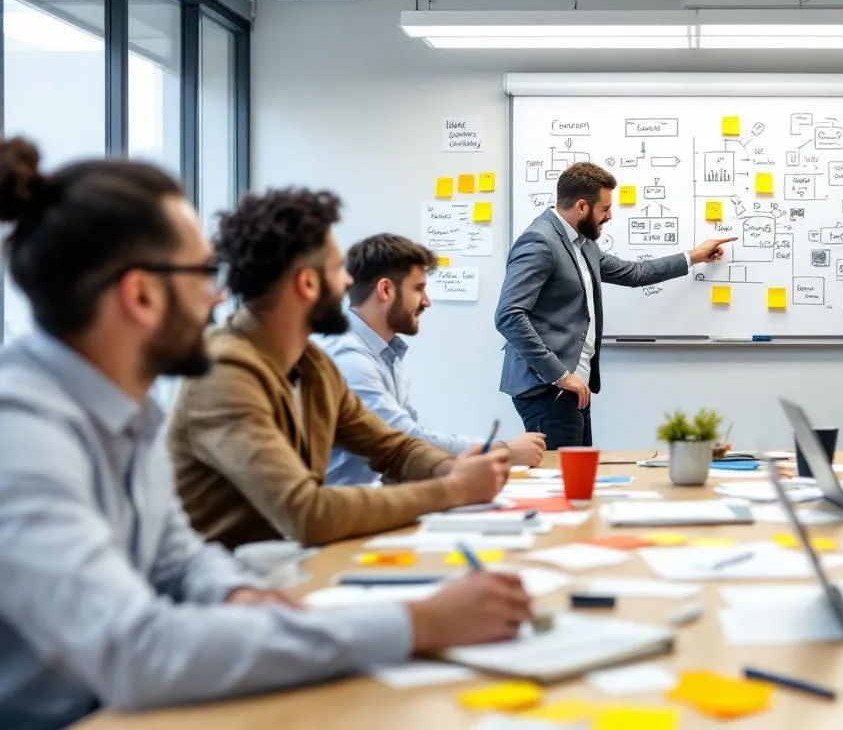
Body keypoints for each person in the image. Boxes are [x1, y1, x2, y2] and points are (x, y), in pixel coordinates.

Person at [0, 139, 531, 729]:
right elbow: (134, 650)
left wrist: (236, 596)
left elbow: (178, 558)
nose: (218, 294)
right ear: (141, 293)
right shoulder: (22, 437)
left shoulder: (127, 409)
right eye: (203, 272)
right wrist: (420, 622)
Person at [169, 188, 510, 549]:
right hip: (234, 579)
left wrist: (451, 468)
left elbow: (392, 448)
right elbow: (307, 512)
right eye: (337, 270)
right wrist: (453, 489)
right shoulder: (224, 373)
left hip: (285, 562)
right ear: (307, 283)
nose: (348, 283)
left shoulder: (312, 364)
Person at [496, 162, 736, 448]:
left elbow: (635, 273)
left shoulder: (582, 243)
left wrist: (694, 256)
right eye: (605, 208)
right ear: (582, 206)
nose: (609, 216)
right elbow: (508, 315)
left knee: (578, 478)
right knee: (560, 481)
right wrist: (560, 375)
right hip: (548, 388)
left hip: (573, 388)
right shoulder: (540, 242)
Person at [317, 233, 545, 486]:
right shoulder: (349, 358)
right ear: (385, 290)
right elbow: (405, 441)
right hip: (338, 512)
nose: (427, 301)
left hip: (366, 501)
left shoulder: (384, 355)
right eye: (418, 289)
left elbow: (412, 439)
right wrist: (502, 451)